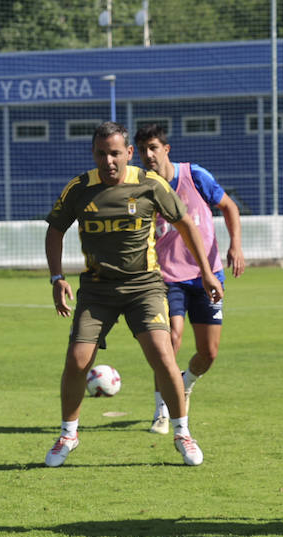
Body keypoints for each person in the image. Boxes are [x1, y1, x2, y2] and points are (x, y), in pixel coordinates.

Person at [44, 121, 223, 469]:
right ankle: (68, 434)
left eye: (115, 153)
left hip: (144, 288)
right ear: (93, 154)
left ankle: (182, 432)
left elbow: (186, 223)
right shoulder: (79, 188)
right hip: (97, 290)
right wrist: (56, 277)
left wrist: (205, 271)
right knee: (77, 360)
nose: (108, 160)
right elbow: (55, 230)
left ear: (128, 153)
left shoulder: (149, 184)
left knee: (163, 356)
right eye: (101, 153)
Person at [134, 123, 246, 434]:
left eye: (153, 148)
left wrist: (235, 244)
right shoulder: (141, 186)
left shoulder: (195, 176)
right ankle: (162, 410)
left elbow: (229, 207)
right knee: (170, 337)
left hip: (205, 275)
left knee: (208, 353)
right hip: (165, 277)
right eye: (142, 150)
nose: (148, 155)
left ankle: (185, 383)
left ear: (166, 149)